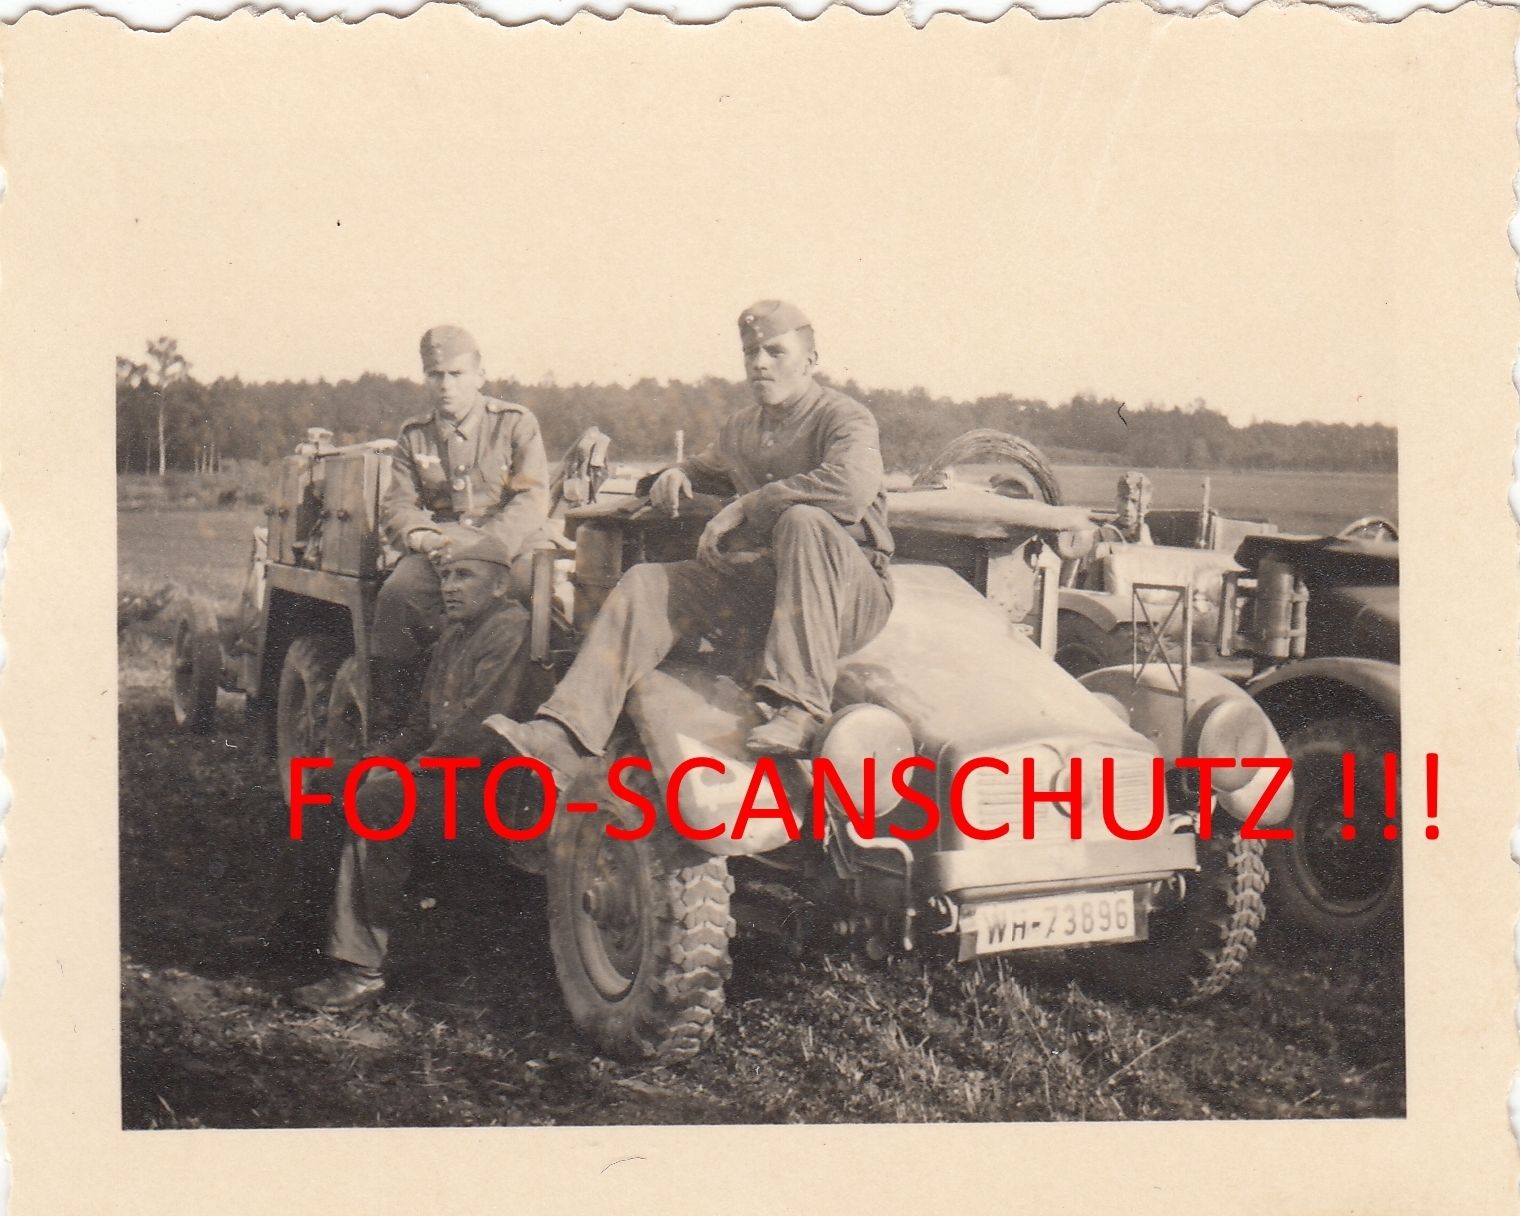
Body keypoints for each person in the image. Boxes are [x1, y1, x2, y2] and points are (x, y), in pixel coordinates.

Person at [481, 299, 895, 779]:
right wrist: (675, 474)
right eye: (751, 353)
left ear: (810, 360)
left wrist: (748, 505)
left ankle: (800, 708)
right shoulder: (743, 428)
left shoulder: (845, 418)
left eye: (776, 352)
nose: (760, 363)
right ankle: (565, 734)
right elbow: (702, 467)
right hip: (771, 593)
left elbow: (850, 489)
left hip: (847, 598)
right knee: (647, 582)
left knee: (803, 520)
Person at [292, 537, 533, 1013]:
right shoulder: (455, 636)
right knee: (320, 784)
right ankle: (298, 935)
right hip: (446, 775)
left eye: (464, 576)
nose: (449, 587)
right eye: (446, 576)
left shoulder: (511, 631)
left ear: (500, 585)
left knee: (380, 801)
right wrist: (380, 759)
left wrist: (404, 772)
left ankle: (360, 970)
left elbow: (480, 732)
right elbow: (421, 726)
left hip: (496, 790)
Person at [369, 324, 550, 742]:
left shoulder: (514, 423)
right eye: (435, 375)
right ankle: (395, 728)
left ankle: (533, 722)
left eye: (456, 374)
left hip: (509, 544)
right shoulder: (415, 436)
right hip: (442, 548)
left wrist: (489, 549)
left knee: (539, 597)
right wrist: (423, 538)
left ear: (480, 376)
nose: (446, 385)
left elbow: (531, 498)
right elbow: (398, 506)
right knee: (397, 595)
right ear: (425, 378)